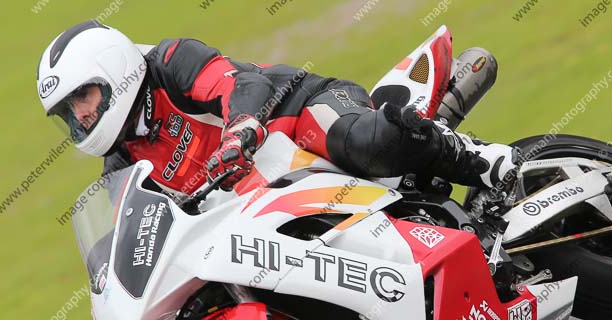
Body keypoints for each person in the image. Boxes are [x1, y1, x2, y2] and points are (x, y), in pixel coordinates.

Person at [37, 20, 518, 198]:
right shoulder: (122, 164)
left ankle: (484, 160)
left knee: (367, 142)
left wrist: (240, 131)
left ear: (113, 71)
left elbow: (239, 83)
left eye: (82, 97)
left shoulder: (170, 62)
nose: (81, 116)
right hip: (263, 196)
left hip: (299, 114)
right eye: (68, 112)